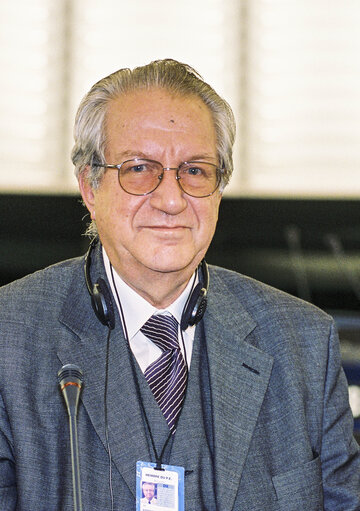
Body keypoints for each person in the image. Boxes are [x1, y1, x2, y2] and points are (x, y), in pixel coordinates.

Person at [0, 59, 359, 511]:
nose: (171, 200)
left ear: (219, 190)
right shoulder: (8, 339)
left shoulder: (304, 344)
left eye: (194, 171)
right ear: (90, 187)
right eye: (138, 169)